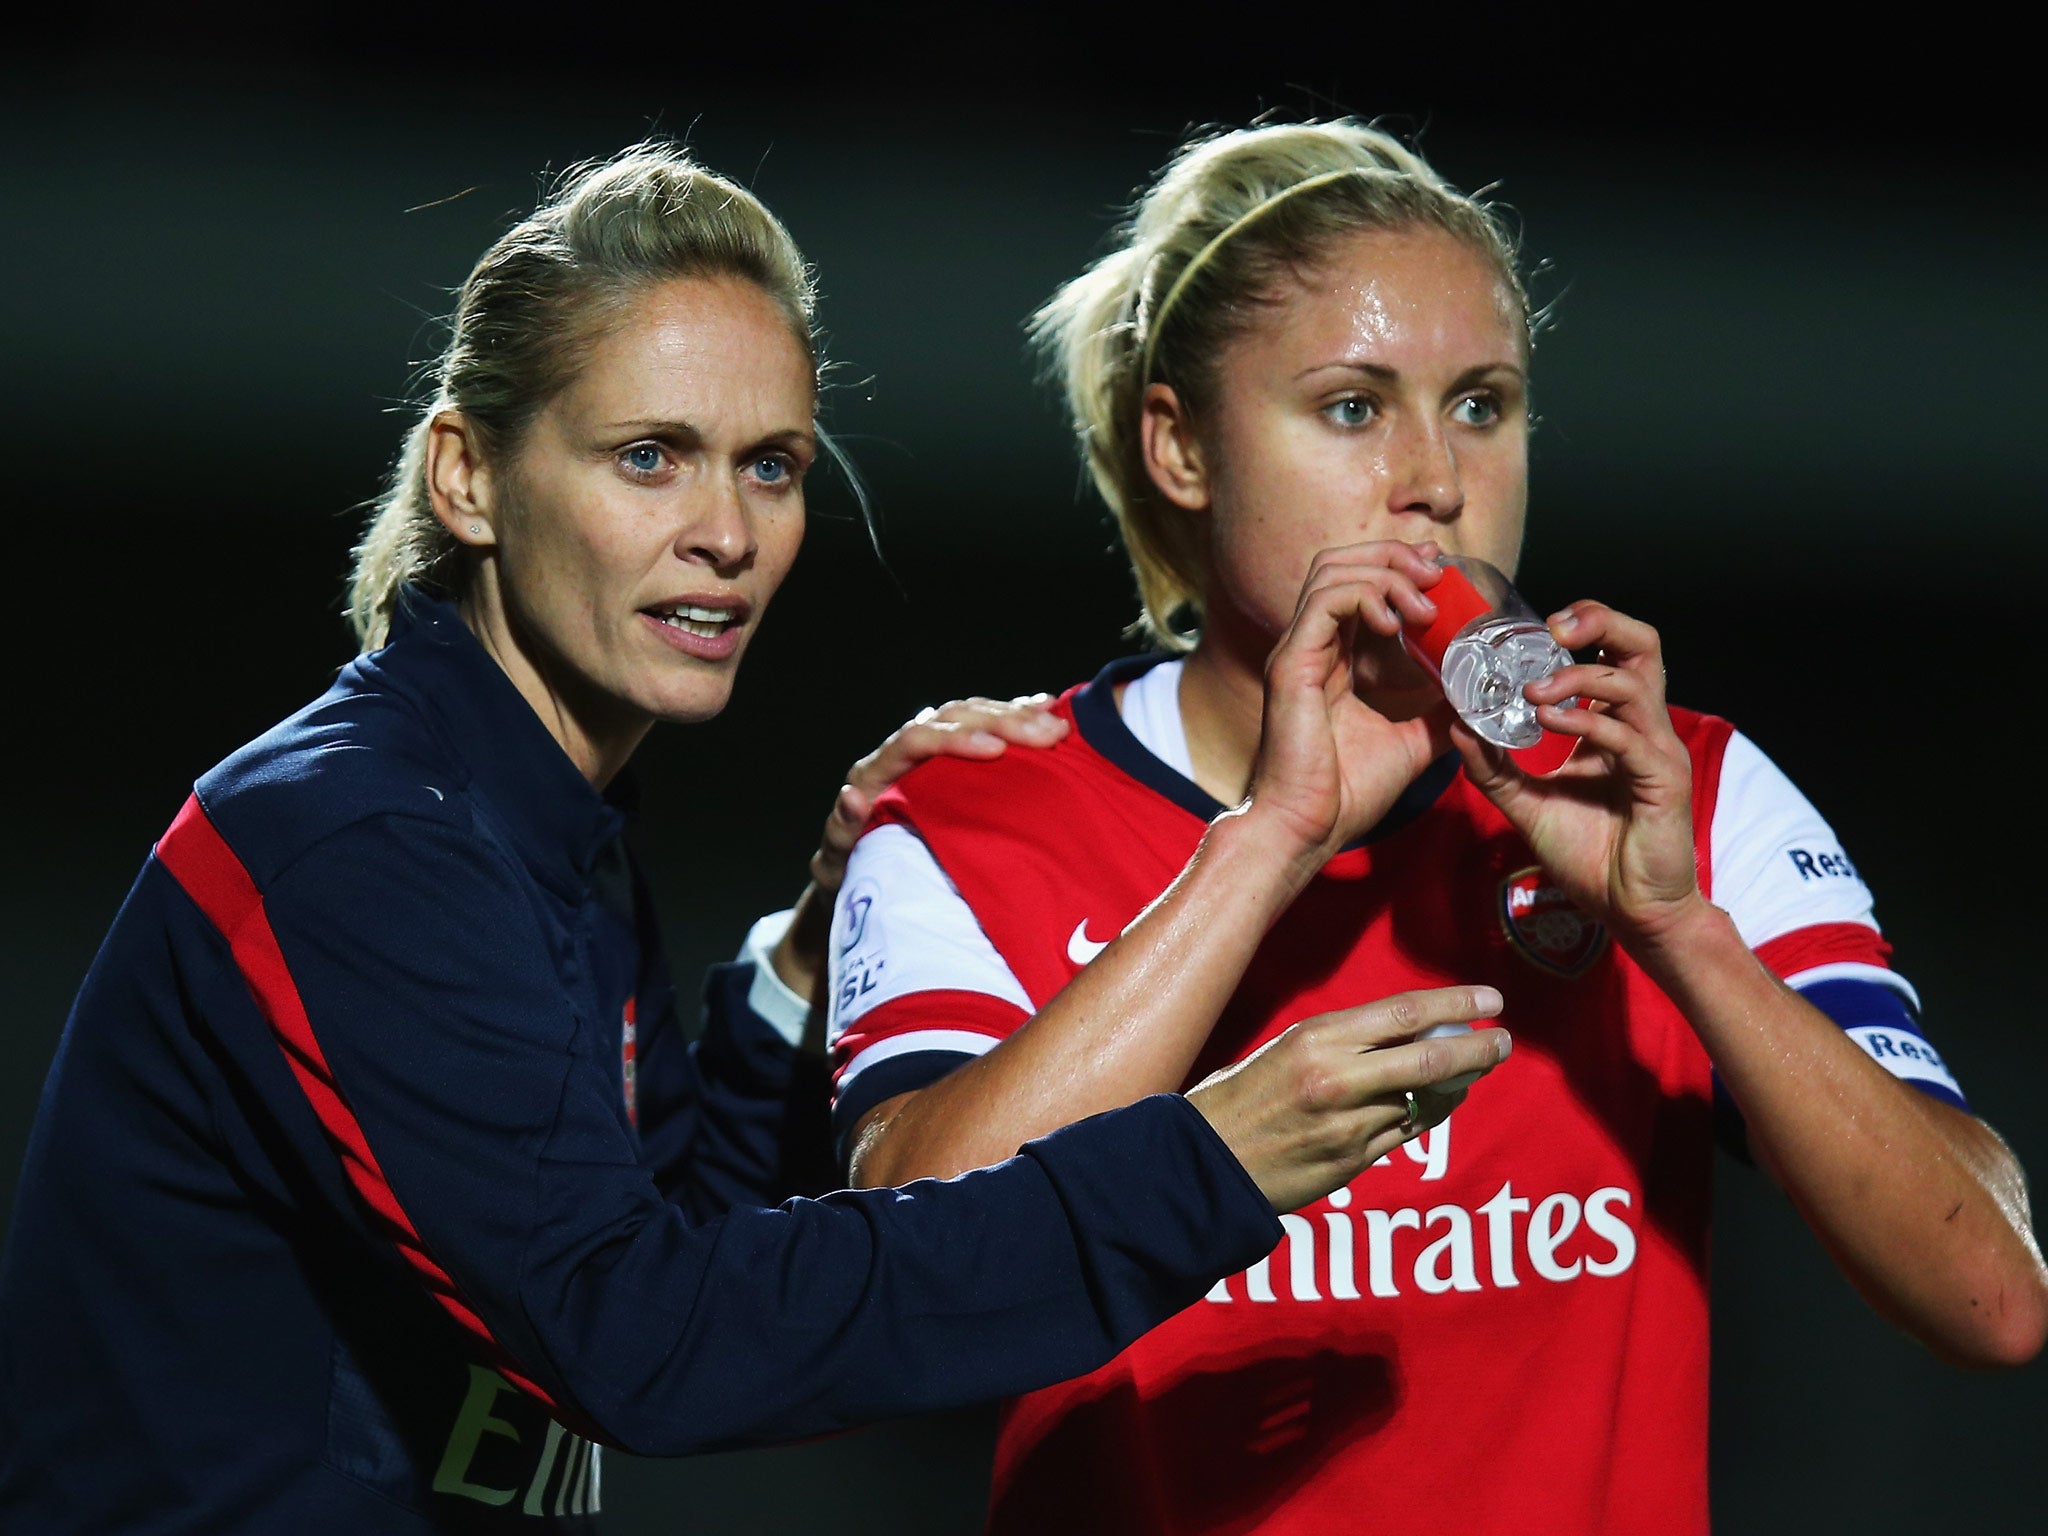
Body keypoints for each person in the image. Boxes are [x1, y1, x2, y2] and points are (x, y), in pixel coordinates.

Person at [0, 143, 1512, 1534]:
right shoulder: (356, 837)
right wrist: (1201, 1166)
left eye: (771, 464)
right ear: (468, 476)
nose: (727, 532)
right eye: (649, 455)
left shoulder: (536, 818)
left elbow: (670, 1224)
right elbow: (647, 1341)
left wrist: (802, 949)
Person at [828, 119, 2048, 1534]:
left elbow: (1994, 1301)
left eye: (1483, 402)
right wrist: (1272, 839)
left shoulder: (1682, 793)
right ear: (1178, 445)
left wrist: (1681, 932)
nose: (1439, 479)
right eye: (1353, 407)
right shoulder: (976, 814)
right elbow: (893, 1296)